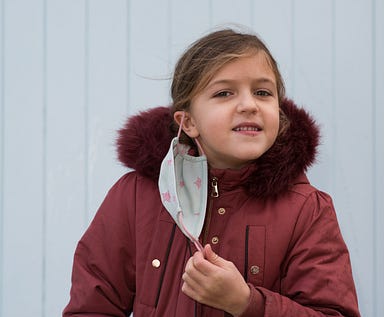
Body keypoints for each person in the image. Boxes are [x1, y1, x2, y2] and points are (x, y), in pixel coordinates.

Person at [63, 27, 361, 317]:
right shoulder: (136, 196)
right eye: (224, 93)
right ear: (189, 122)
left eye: (262, 92)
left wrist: (247, 303)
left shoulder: (307, 210)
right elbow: (91, 307)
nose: (249, 105)